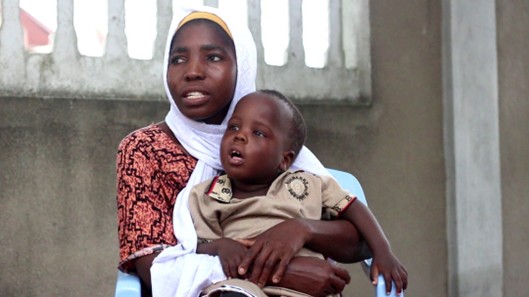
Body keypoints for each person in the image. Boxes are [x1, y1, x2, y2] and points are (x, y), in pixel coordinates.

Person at [116, 4, 371, 297]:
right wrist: (283, 273)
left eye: (213, 57)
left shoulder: (272, 144)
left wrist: (303, 229)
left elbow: (360, 241)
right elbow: (153, 268)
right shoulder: (144, 150)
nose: (193, 72)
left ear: (243, 66)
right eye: (178, 59)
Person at [188, 90, 408, 296]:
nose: (240, 137)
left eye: (258, 133)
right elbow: (193, 248)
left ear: (285, 160)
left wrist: (383, 251)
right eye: (234, 127)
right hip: (244, 289)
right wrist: (219, 247)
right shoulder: (207, 195)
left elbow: (353, 206)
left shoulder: (307, 184)